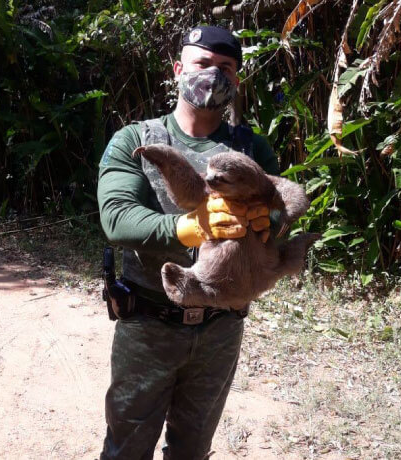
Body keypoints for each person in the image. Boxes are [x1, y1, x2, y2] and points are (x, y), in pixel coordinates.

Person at [97, 25, 280, 459]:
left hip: (221, 328)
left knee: (192, 449)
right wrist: (189, 227)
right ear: (178, 69)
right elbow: (117, 218)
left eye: (226, 68)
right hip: (147, 325)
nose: (214, 75)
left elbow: (279, 212)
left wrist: (268, 220)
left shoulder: (251, 148)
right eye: (202, 63)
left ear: (236, 80)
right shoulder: (136, 140)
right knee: (126, 448)